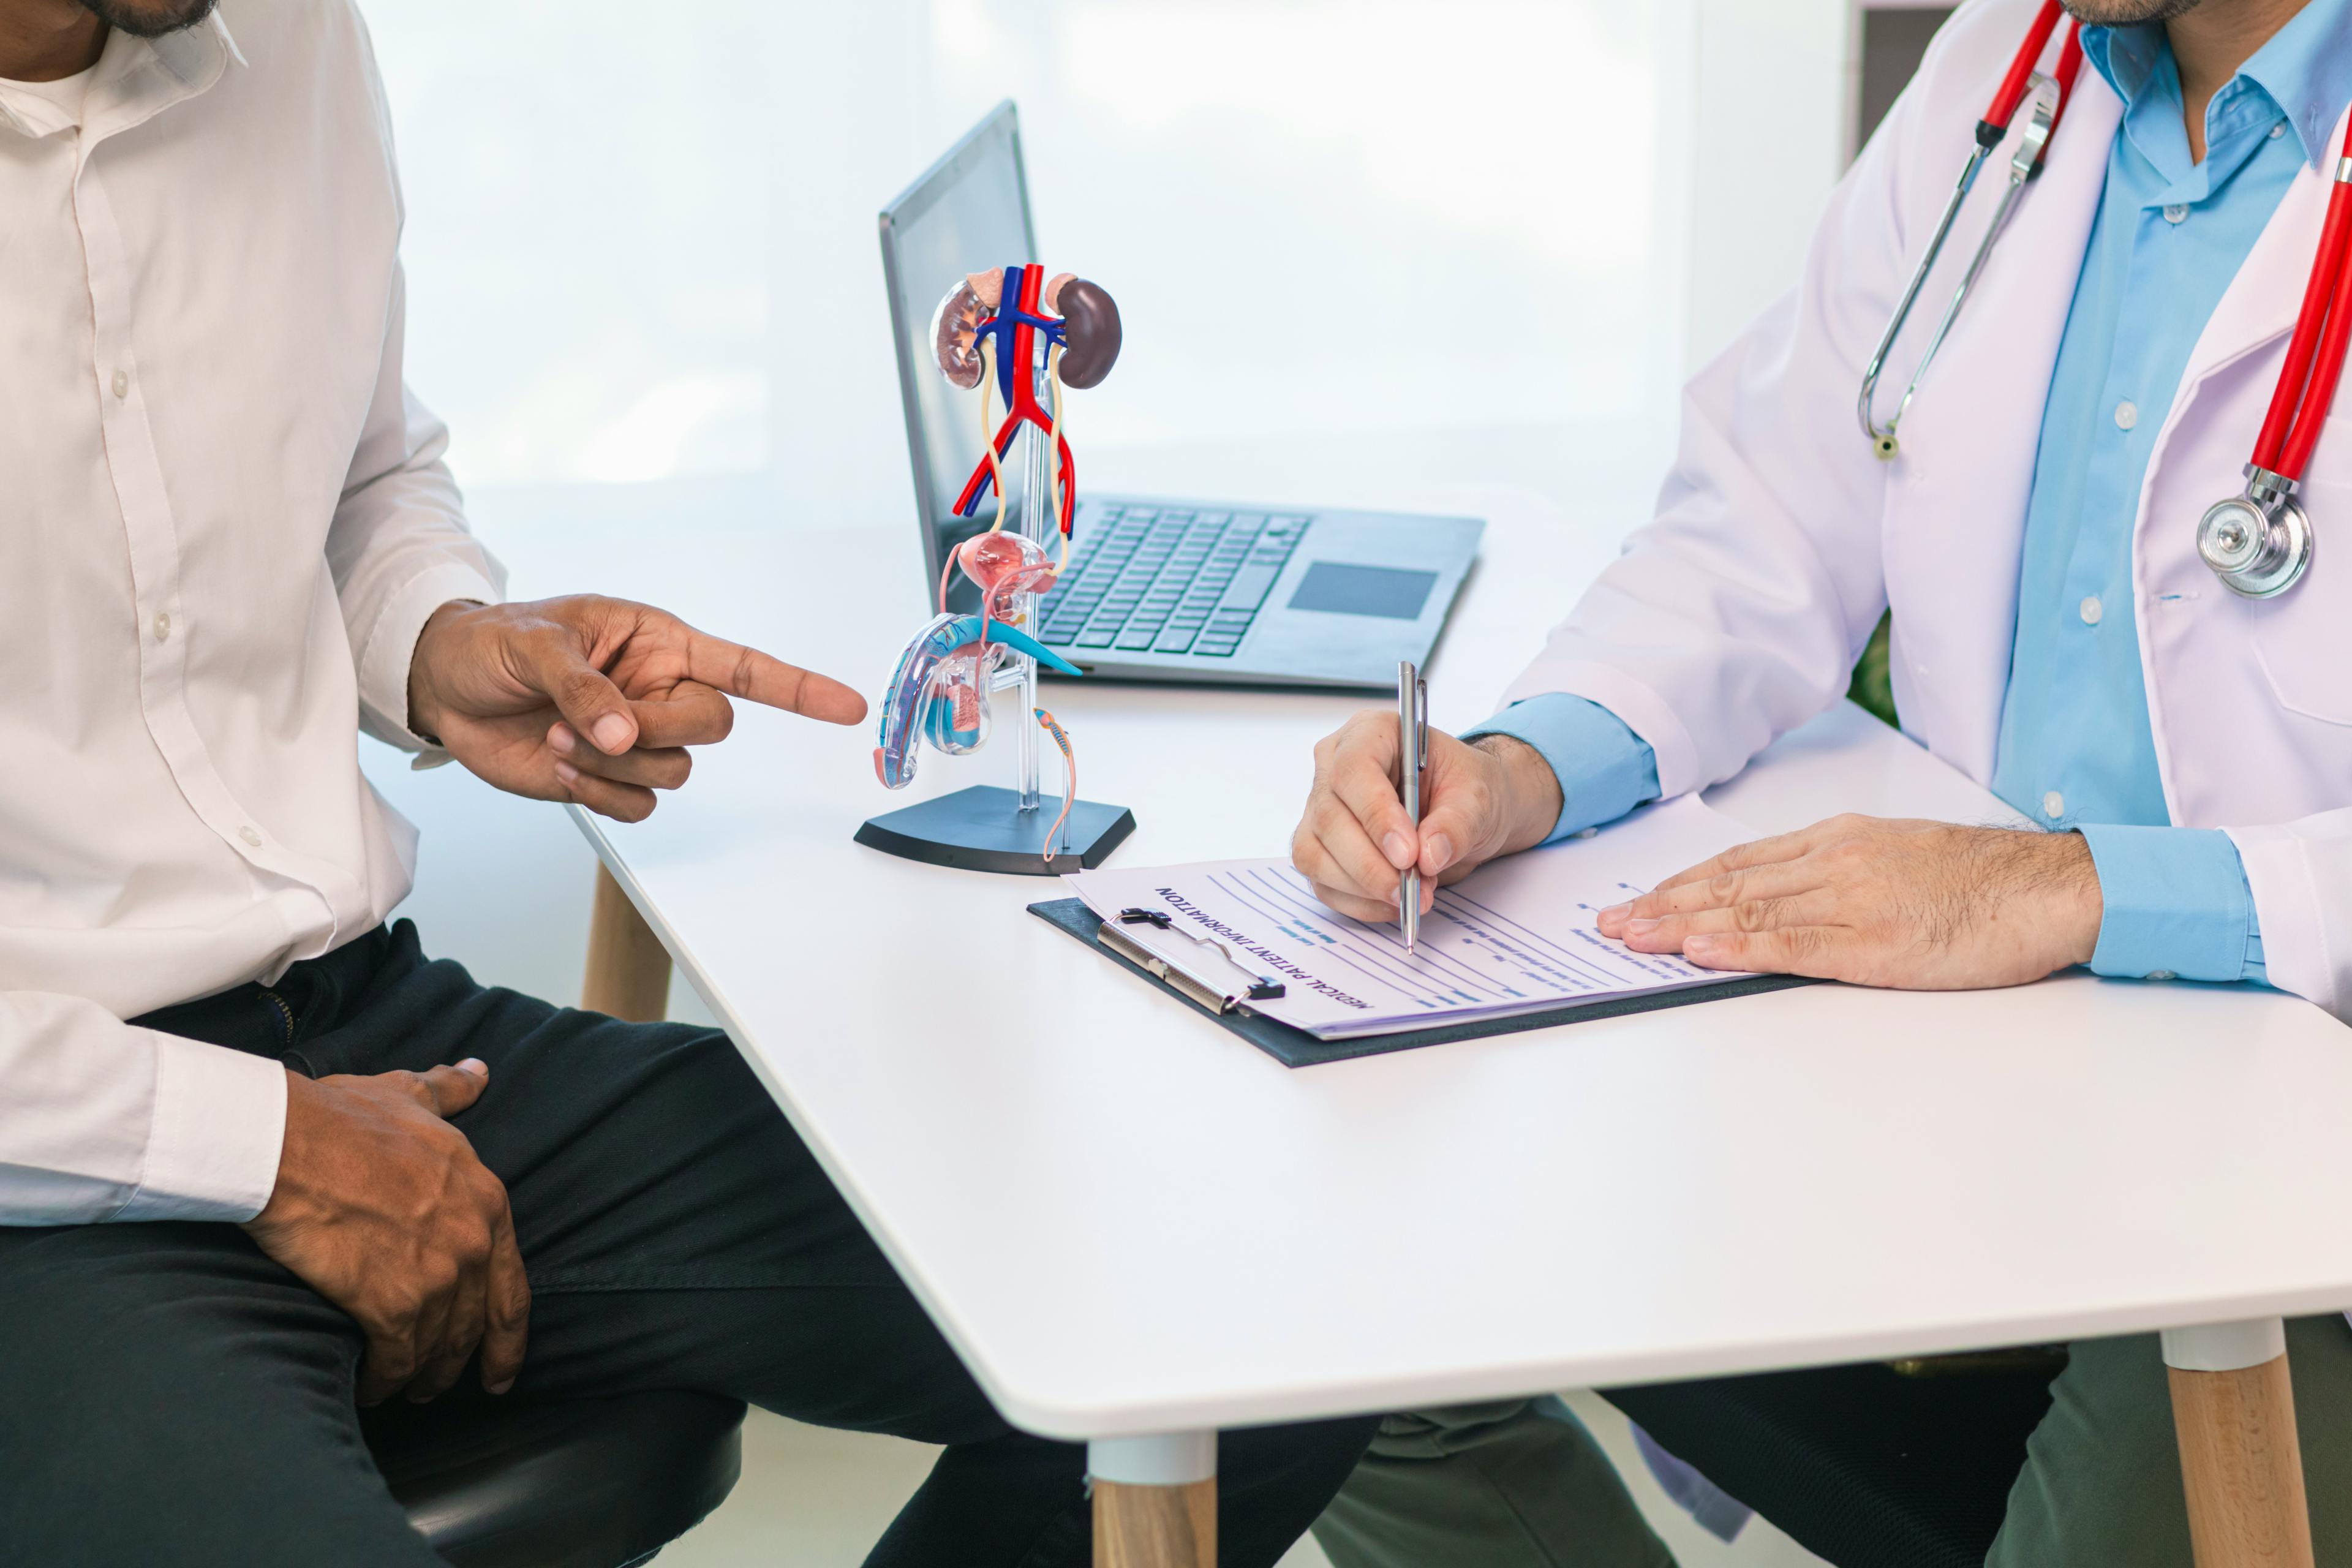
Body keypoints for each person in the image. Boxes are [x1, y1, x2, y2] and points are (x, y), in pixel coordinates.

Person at [0, 1, 1377, 1562]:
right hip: (44, 1170)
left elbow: (369, 474)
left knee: (1259, 1341)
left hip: (376, 1035)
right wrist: (264, 1145)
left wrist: (441, 641)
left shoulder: (287, 35)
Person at [1289, 0, 2352, 1561]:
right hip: (1981, 1076)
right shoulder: (2019, 67)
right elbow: (1768, 517)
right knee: (1336, 1303)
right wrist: (1509, 771)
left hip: (2292, 1171)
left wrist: (2064, 887)